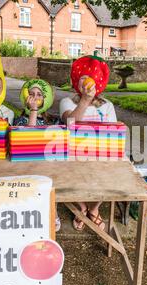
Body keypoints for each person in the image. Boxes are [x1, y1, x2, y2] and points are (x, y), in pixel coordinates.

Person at [59, 53, 117, 231]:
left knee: (111, 172)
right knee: (65, 171)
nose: (86, 84)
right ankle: (81, 207)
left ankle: (93, 209)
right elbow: (69, 124)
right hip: (72, 154)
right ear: (76, 82)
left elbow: (114, 134)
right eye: (82, 79)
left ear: (97, 83)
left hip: (98, 154)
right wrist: (85, 100)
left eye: (89, 80)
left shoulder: (107, 106)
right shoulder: (66, 102)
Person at [14, 78, 61, 232]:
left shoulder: (54, 121)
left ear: (45, 99)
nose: (35, 98)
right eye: (31, 94)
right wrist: (33, 111)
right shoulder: (19, 120)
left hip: (48, 165)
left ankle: (51, 210)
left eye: (39, 95)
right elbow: (27, 139)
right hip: (26, 165)